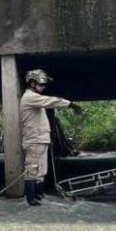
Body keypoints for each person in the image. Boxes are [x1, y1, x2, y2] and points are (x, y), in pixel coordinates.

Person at [19, 69, 81, 206]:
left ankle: (39, 195)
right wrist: (70, 104)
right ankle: (31, 198)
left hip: (40, 140)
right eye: (41, 84)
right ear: (32, 83)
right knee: (32, 169)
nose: (43, 87)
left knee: (41, 170)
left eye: (44, 85)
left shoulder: (34, 99)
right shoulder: (30, 97)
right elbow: (51, 101)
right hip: (34, 140)